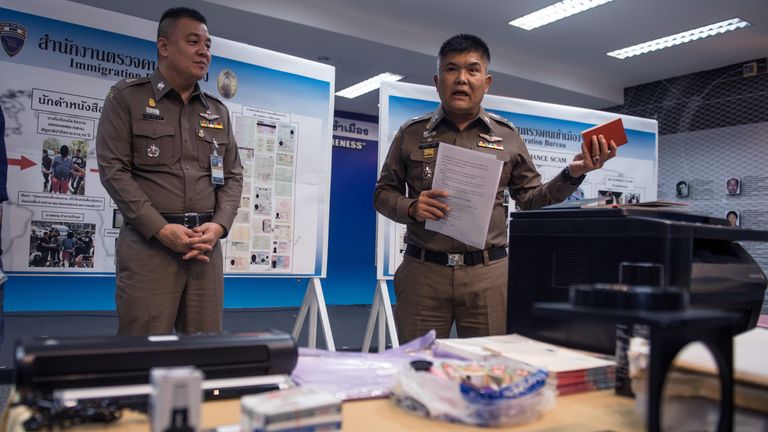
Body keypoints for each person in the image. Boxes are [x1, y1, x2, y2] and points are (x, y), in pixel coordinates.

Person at [374, 34, 618, 341]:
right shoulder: (411, 133)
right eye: (452, 69)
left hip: (488, 275)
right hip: (424, 272)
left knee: (490, 369)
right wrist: (411, 206)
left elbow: (530, 199)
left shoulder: (508, 137)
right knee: (420, 368)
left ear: (486, 82)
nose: (461, 79)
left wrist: (572, 173)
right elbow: (382, 193)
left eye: (472, 70)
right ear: (437, 81)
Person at [96, 7, 243, 335]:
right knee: (144, 352)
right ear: (164, 46)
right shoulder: (127, 98)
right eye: (193, 41)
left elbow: (232, 175)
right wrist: (161, 230)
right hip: (151, 247)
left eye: (208, 45)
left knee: (204, 352)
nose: (204, 51)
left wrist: (219, 226)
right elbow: (113, 170)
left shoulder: (217, 111)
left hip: (205, 249)